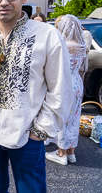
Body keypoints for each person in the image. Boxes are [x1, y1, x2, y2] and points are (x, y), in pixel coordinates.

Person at [0, 0, 72, 192]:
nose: (4, 2)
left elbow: (61, 88)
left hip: (27, 135)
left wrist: (42, 130)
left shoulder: (47, 35)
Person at [45, 15, 87, 165]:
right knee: (74, 118)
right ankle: (71, 153)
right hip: (77, 82)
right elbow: (82, 67)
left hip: (65, 83)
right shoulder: (81, 44)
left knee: (62, 116)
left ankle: (61, 153)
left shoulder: (64, 44)